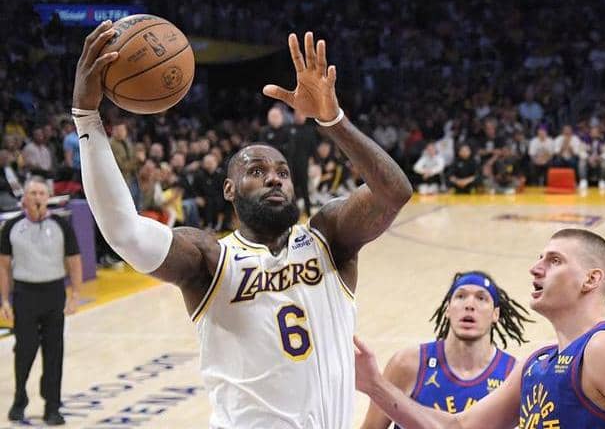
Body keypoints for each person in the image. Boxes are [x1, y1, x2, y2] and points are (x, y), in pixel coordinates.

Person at [72, 24, 411, 428]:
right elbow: (124, 232)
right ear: (229, 190)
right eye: (257, 171)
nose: (274, 179)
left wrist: (332, 120)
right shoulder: (211, 260)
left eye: (282, 172)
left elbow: (394, 192)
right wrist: (87, 119)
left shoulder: (329, 238)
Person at [355, 228, 605, 429]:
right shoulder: (535, 364)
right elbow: (458, 428)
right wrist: (375, 386)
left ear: (590, 279)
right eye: (540, 258)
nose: (535, 268)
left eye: (554, 261)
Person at [360, 271, 531, 429]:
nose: (470, 305)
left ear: (496, 314)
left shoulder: (514, 374)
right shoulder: (408, 364)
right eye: (461, 296)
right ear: (448, 309)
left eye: (481, 298)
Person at [0, 177, 82, 425]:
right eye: (33, 193)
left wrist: (75, 294)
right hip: (25, 294)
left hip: (54, 292)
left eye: (41, 193)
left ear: (48, 198)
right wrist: (4, 300)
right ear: (24, 198)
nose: (37, 197)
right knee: (25, 349)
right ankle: (19, 398)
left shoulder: (61, 225)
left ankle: (52, 406)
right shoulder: (12, 226)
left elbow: (74, 260)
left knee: (54, 351)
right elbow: (4, 266)